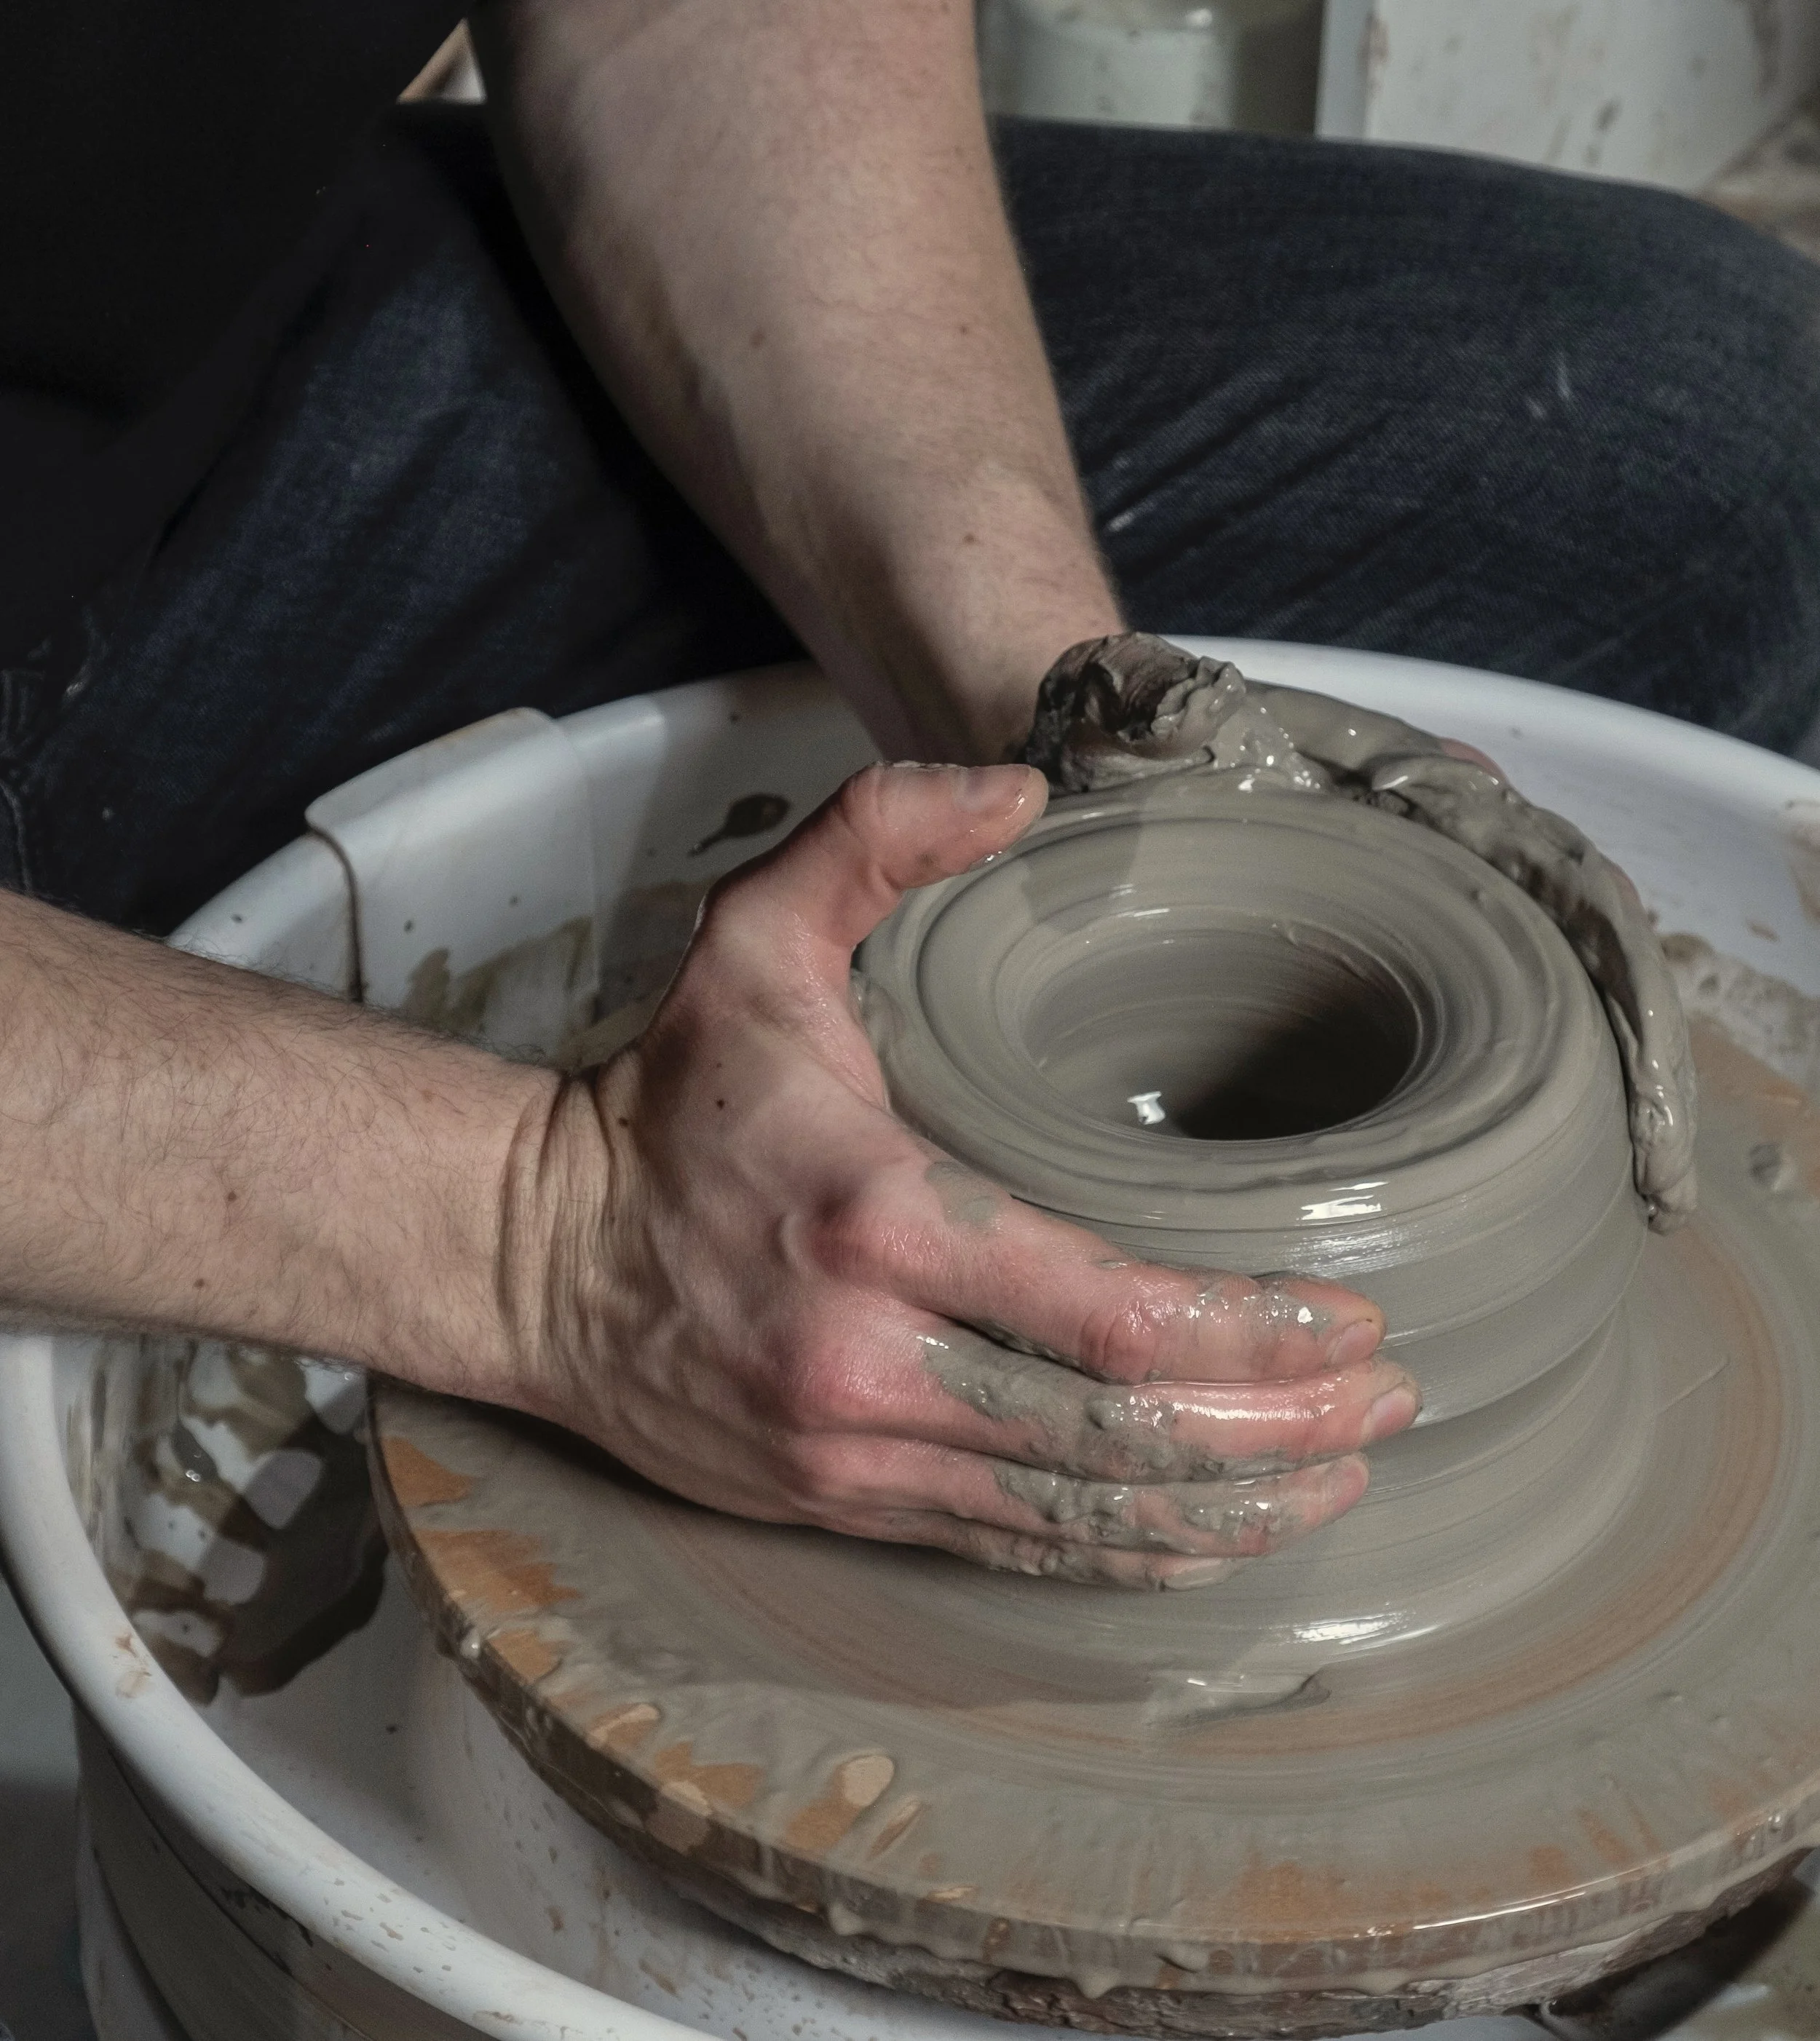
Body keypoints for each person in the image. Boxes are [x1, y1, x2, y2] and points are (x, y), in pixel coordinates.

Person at [4, 4, 1817, 1584]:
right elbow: (538, 1234)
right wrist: (539, 1242)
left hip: (169, 392)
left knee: (1715, 446)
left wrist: (1073, 709)